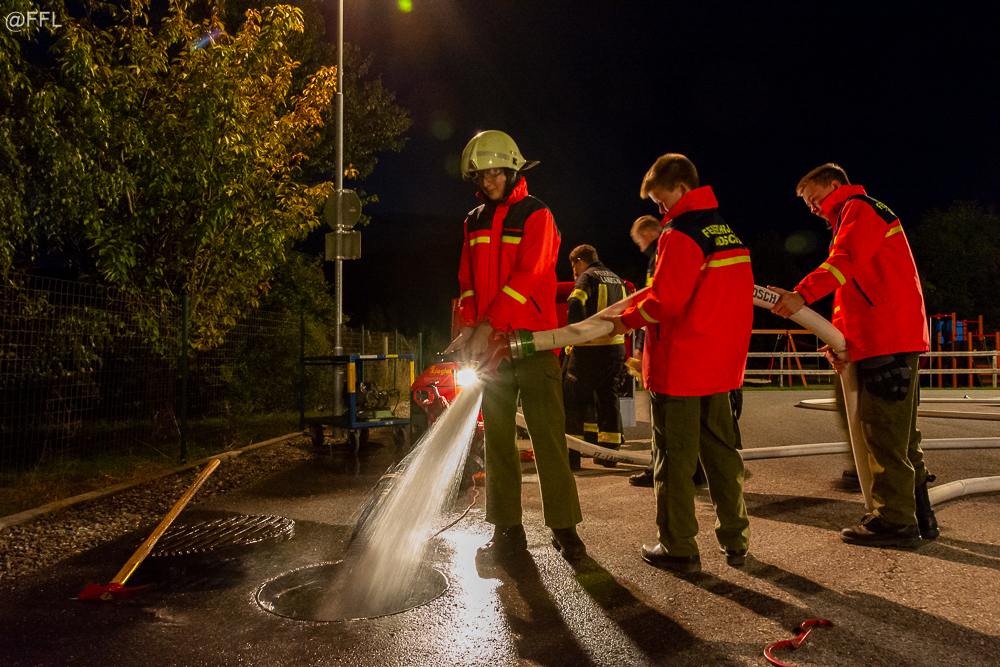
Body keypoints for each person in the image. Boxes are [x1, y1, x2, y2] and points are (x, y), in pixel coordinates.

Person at [770, 163, 936, 548]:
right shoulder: (859, 214)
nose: (813, 208)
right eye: (808, 205)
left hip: (885, 338)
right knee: (901, 435)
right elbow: (854, 290)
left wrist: (800, 295)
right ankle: (920, 515)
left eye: (815, 199)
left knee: (883, 433)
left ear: (835, 185)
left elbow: (843, 263)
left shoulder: (859, 209)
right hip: (886, 336)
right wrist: (840, 341)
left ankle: (896, 521)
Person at [605, 153, 753, 573]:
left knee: (673, 459)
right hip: (718, 366)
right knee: (723, 456)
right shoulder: (726, 232)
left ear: (682, 188)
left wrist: (625, 320)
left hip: (681, 366)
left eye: (661, 198)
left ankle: (678, 546)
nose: (659, 208)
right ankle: (736, 539)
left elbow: (667, 300)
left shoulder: (680, 233)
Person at [445, 130, 586, 562]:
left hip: (533, 341)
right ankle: (506, 529)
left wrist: (487, 326)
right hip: (492, 347)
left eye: (494, 172)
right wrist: (471, 325)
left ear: (512, 169)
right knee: (497, 440)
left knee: (548, 438)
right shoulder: (473, 220)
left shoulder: (536, 214)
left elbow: (530, 274)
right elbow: (468, 281)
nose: (487, 180)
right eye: (480, 174)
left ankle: (565, 528)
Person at [563, 244, 628, 470]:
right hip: (615, 351)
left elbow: (575, 301)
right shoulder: (617, 279)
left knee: (573, 400)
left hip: (589, 351)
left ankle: (571, 457)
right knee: (608, 399)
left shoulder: (587, 277)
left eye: (574, 266)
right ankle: (609, 454)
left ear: (581, 261)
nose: (574, 272)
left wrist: (577, 333)